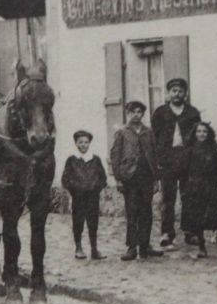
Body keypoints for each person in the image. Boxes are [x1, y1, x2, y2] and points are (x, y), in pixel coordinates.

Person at [152, 77, 201, 248]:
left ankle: (190, 231)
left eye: (180, 91)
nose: (177, 94)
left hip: (187, 159)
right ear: (168, 93)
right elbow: (155, 139)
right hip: (168, 161)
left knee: (190, 197)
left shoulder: (192, 113)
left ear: (185, 93)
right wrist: (158, 160)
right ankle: (167, 233)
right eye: (174, 91)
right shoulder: (160, 113)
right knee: (168, 198)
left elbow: (198, 137)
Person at [110, 101, 160, 261]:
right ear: (128, 114)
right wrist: (118, 178)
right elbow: (115, 155)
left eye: (139, 112)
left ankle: (144, 247)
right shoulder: (122, 133)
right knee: (132, 212)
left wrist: (156, 179)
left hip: (146, 176)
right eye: (133, 112)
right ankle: (132, 247)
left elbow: (155, 155)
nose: (136, 115)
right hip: (129, 177)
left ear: (143, 114)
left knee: (146, 211)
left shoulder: (149, 132)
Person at [61, 129, 107, 260]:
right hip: (78, 198)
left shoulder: (95, 159)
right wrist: (76, 189)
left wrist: (96, 188)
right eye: (80, 142)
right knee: (78, 222)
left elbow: (103, 178)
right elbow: (66, 179)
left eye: (86, 142)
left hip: (93, 197)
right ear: (76, 143)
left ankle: (94, 249)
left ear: (89, 143)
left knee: (93, 222)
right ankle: (79, 247)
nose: (83, 145)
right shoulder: (71, 160)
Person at [181, 121, 217, 258]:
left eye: (204, 131)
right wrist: (186, 188)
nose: (201, 134)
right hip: (194, 187)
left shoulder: (214, 151)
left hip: (210, 186)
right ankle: (201, 245)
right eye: (199, 131)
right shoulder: (188, 151)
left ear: (209, 134)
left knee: (213, 214)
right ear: (194, 134)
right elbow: (183, 171)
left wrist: (215, 185)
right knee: (197, 217)